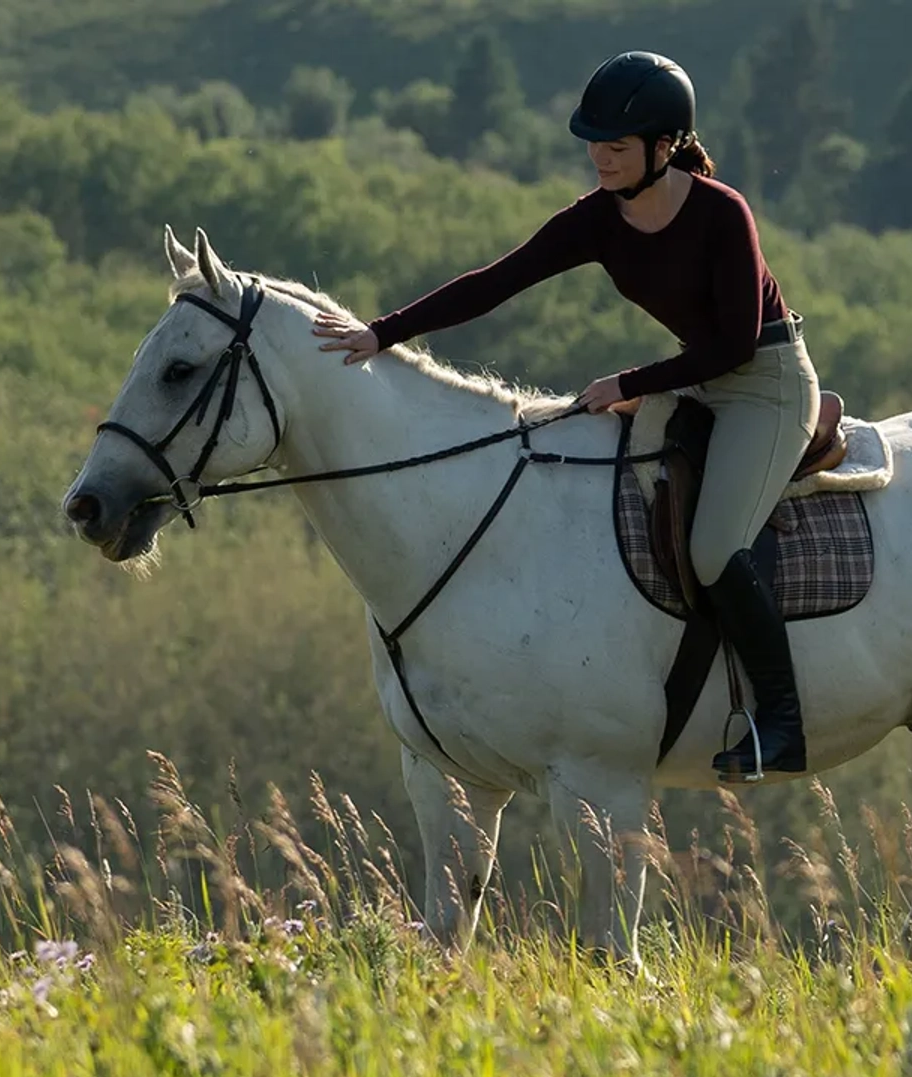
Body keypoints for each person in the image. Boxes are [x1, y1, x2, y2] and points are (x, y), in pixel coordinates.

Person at [313, 51, 821, 783]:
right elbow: (497, 281)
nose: (599, 160)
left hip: (766, 387)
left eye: (615, 148)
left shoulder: (722, 213)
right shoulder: (597, 220)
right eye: (594, 145)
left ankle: (782, 722)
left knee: (712, 548)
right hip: (695, 382)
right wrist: (381, 333)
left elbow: (736, 344)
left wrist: (629, 381)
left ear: (666, 146)